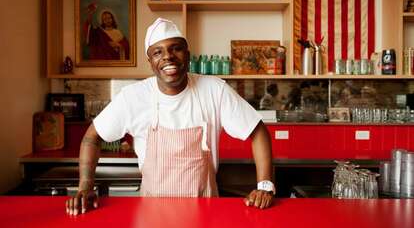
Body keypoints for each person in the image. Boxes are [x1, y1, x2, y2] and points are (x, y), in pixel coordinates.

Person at [66, 18, 274, 215]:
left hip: (205, 213)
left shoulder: (214, 90)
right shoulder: (132, 97)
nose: (168, 56)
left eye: (176, 48)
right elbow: (91, 137)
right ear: (150, 62)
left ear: (188, 54)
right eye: (158, 52)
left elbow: (257, 130)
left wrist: (265, 186)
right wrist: (85, 186)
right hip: (151, 214)